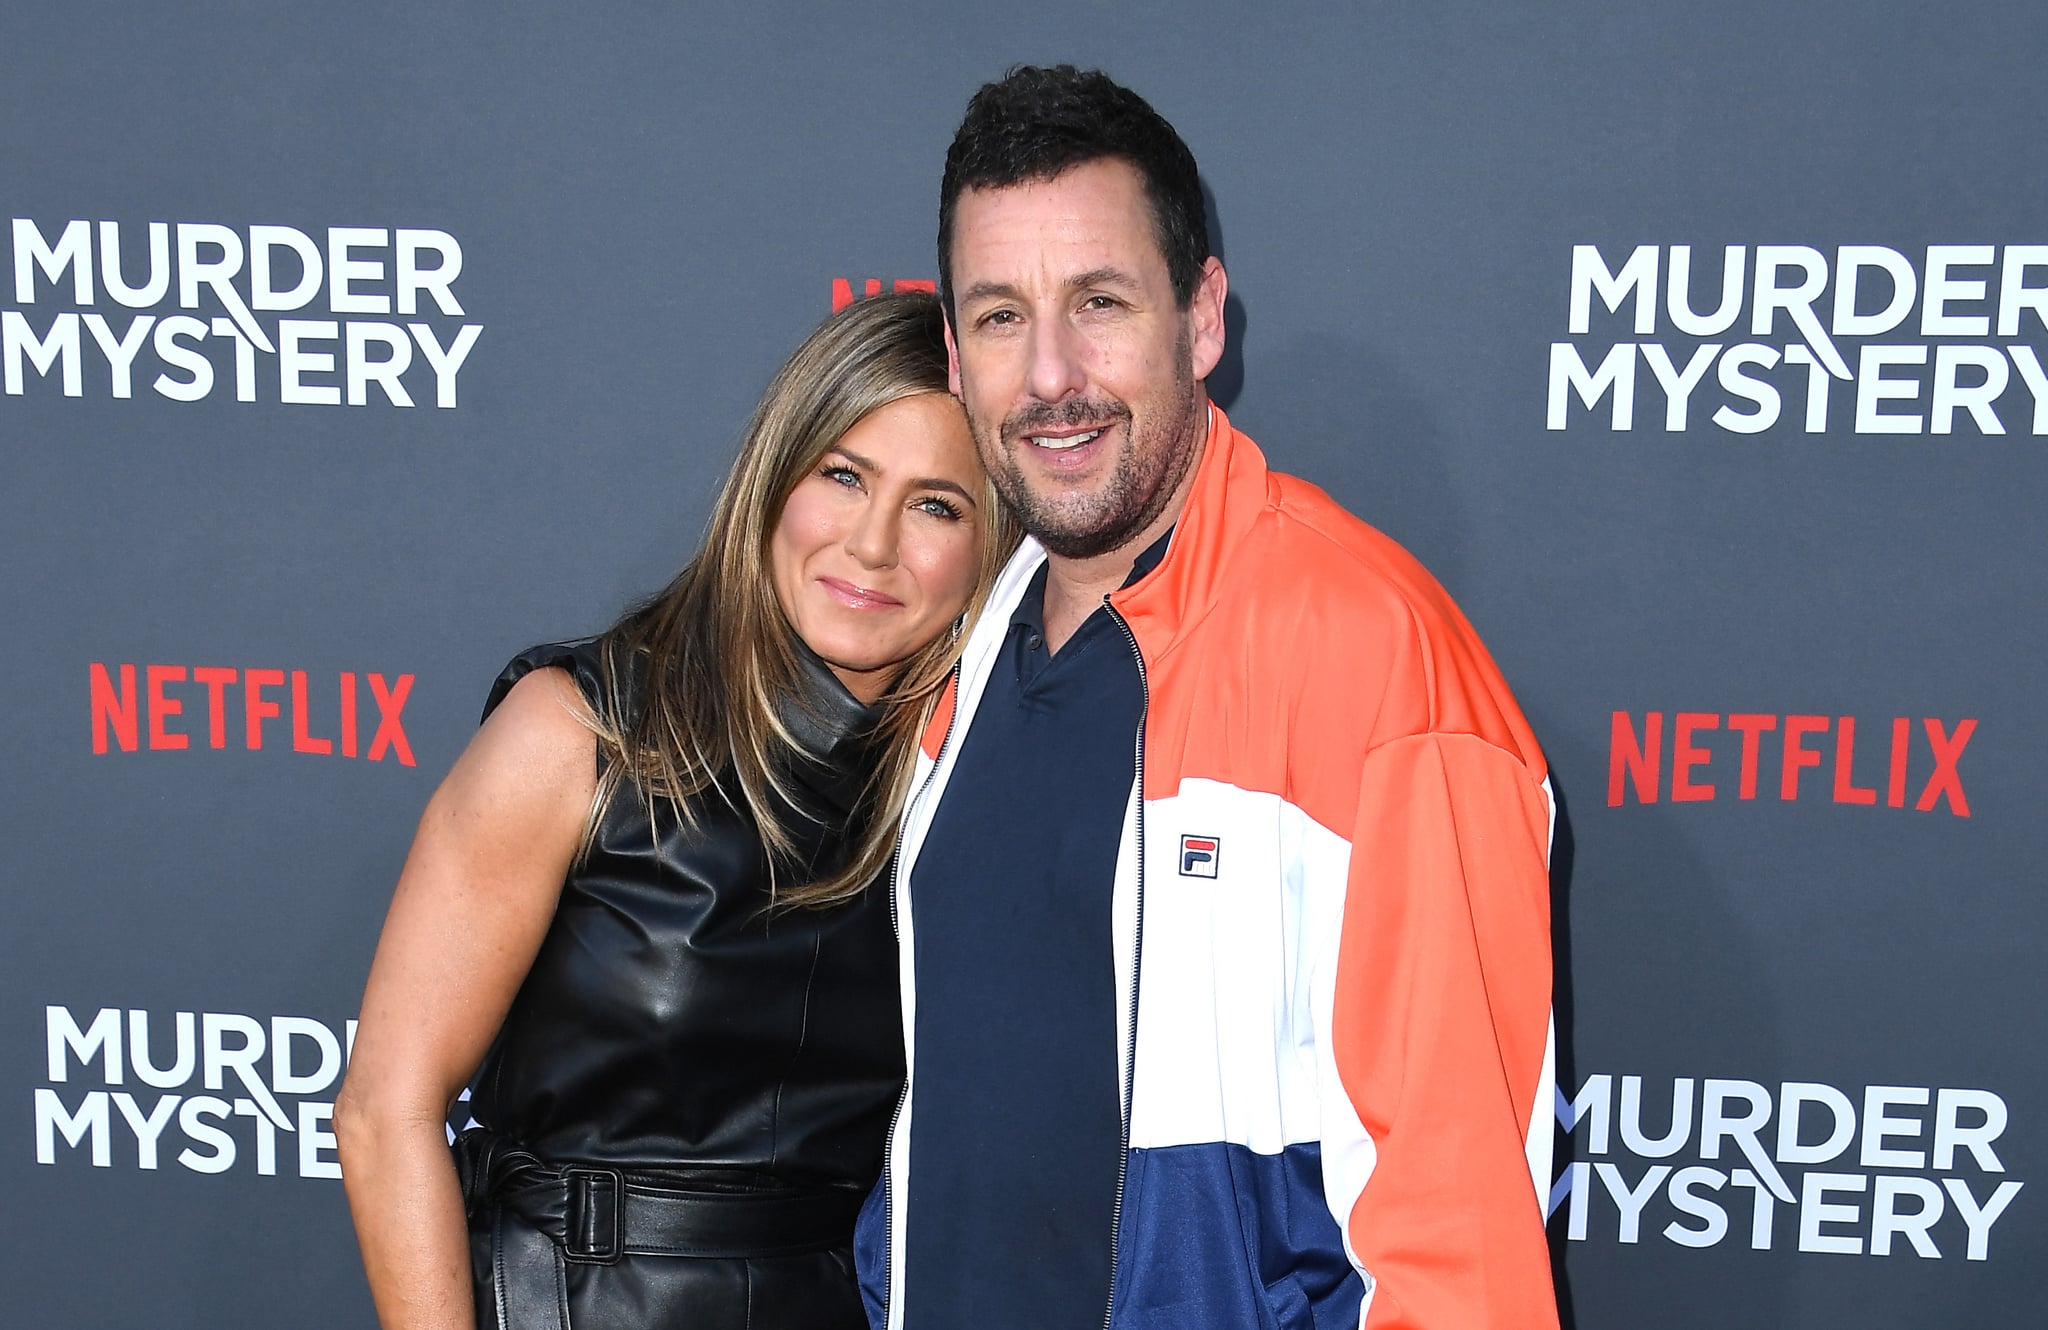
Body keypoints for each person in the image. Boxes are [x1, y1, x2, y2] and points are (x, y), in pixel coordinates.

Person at [855, 67, 1560, 1330]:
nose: (1052, 374)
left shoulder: (1373, 652)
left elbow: (1457, 1241)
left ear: (1201, 320)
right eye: (1003, 316)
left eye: (1100, 303)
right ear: (955, 356)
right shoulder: (961, 644)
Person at [335, 291, 1018, 1330]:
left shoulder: (967, 793)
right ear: (773, 479)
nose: (872, 546)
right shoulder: (578, 730)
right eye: (842, 475)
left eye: (936, 505)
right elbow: (386, 1113)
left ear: (990, 545)